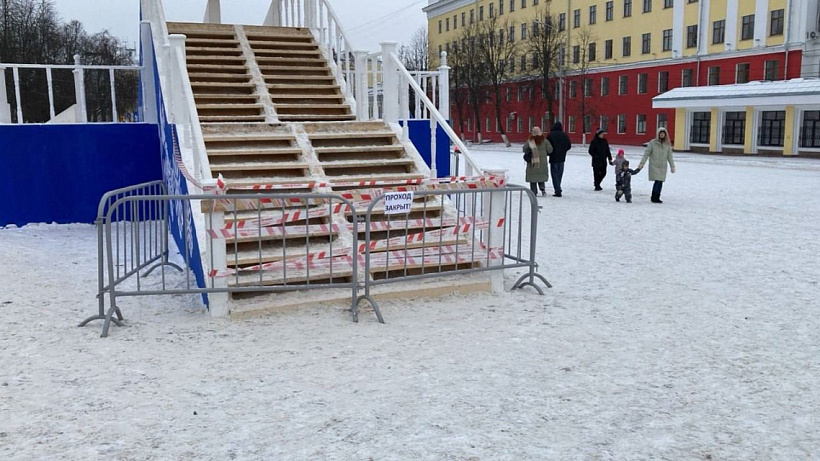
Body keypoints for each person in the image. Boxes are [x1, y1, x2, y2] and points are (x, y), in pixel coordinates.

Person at [638, 127, 676, 203]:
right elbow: (646, 154)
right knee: (657, 181)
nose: (662, 135)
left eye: (663, 134)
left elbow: (669, 156)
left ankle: (657, 196)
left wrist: (672, 166)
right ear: (658, 134)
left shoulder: (667, 145)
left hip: (663, 166)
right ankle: (654, 197)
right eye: (660, 134)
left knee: (660, 181)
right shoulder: (652, 143)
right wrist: (642, 163)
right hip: (654, 165)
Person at [523, 126, 553, 196]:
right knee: (541, 175)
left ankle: (533, 192)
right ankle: (542, 189)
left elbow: (525, 149)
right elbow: (550, 150)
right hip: (542, 162)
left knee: (533, 177)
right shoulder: (545, 141)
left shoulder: (530, 141)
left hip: (532, 162)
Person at [547, 122, 571, 197]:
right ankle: (558, 187)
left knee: (554, 174)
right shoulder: (564, 135)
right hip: (562, 157)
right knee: (559, 174)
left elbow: (548, 146)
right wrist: (563, 151)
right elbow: (569, 145)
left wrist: (550, 153)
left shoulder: (550, 135)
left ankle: (557, 189)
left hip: (553, 157)